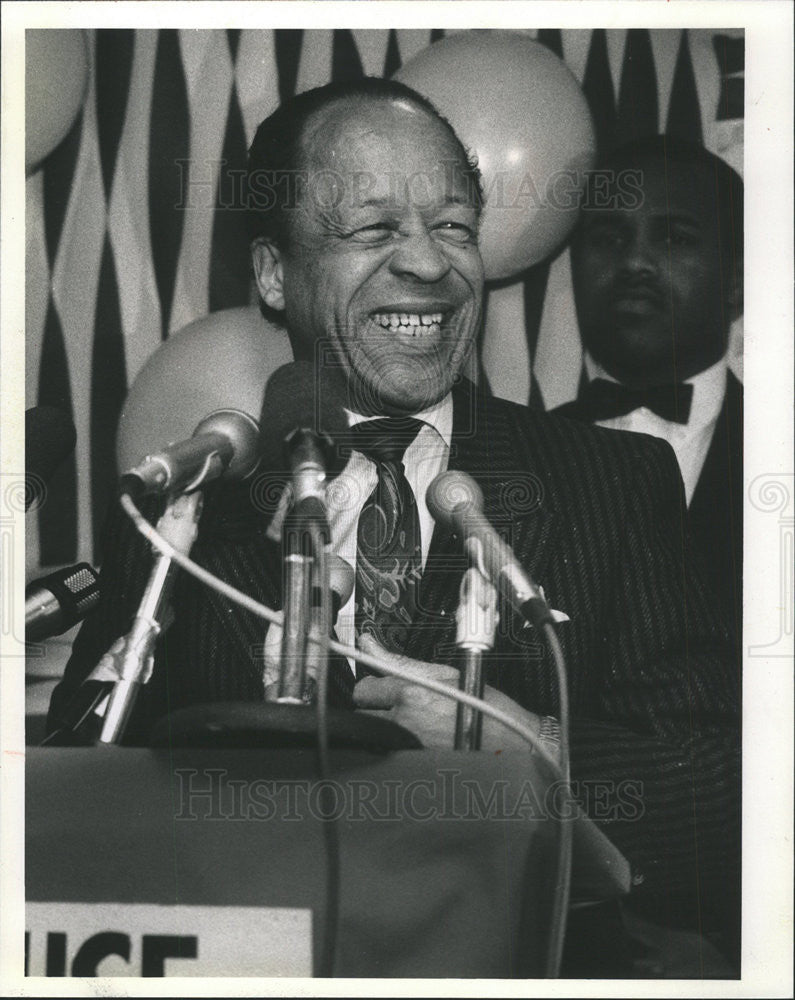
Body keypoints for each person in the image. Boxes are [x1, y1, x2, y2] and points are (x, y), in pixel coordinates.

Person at [48, 79, 740, 972]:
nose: (428, 263)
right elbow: (72, 798)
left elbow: (731, 802)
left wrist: (539, 751)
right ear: (273, 272)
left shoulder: (613, 483)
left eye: (452, 227)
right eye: (372, 229)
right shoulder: (186, 513)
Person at [556, 136, 743, 655]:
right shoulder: (515, 455)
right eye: (609, 238)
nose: (635, 261)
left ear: (739, 281)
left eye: (675, 238)